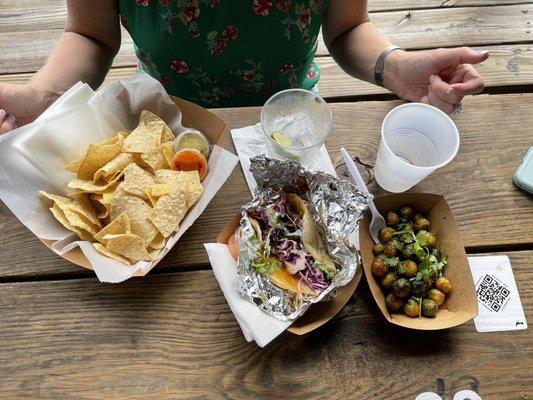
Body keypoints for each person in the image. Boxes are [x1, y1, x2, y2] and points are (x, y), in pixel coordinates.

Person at [0, 0, 488, 133]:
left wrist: (393, 66)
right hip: (168, 121)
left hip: (288, 124)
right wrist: (44, 97)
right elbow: (90, 33)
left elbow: (346, 28)